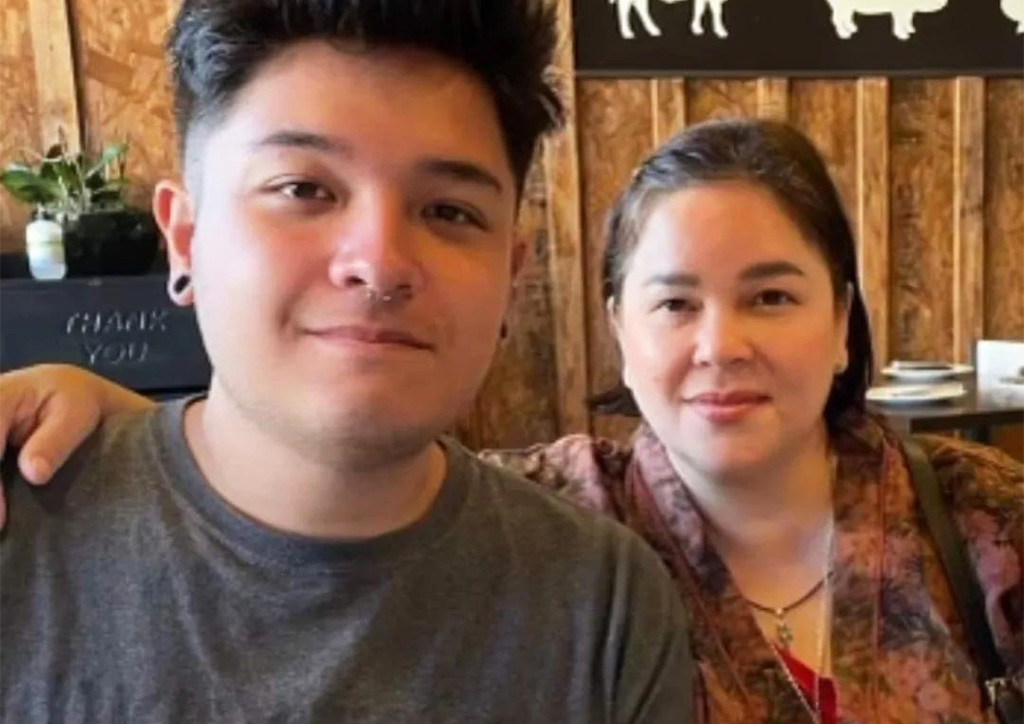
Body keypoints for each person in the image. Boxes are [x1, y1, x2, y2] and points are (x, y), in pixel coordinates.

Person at [3, 119, 1021, 722]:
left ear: (841, 324)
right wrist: (120, 433)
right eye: (674, 302)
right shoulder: (558, 522)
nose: (720, 344)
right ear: (618, 329)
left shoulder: (986, 517)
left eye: (771, 297)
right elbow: (326, 473)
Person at [0, 1, 696, 721]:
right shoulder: (21, 539)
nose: (380, 263)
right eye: (304, 190)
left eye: (449, 211)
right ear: (184, 239)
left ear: (510, 278)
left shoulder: (602, 607)